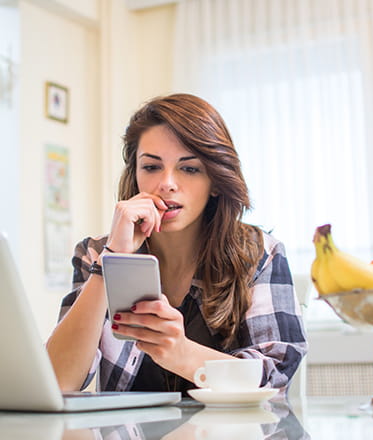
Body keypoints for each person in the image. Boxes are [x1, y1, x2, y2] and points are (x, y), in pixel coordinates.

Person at [46, 93, 307, 394]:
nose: (167, 183)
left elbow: (274, 376)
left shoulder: (259, 254)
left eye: (189, 168)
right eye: (151, 167)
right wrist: (111, 259)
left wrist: (180, 352)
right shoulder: (95, 253)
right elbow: (58, 383)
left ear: (215, 180)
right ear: (135, 175)